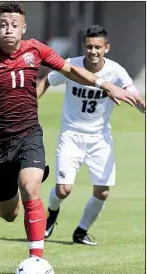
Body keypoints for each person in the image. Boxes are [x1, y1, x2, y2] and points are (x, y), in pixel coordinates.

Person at [0, 1, 136, 260]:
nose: (9, 29)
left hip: (29, 134)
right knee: (10, 214)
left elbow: (71, 70)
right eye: (3, 24)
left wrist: (104, 84)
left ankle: (36, 261)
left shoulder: (35, 49)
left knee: (31, 188)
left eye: (14, 25)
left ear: (24, 28)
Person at [37, 25, 145, 246]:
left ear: (106, 48)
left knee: (103, 192)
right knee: (63, 189)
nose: (93, 51)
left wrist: (141, 104)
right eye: (89, 46)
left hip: (100, 138)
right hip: (71, 135)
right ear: (83, 47)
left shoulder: (115, 71)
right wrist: (30, 103)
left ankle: (81, 232)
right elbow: (48, 80)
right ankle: (51, 214)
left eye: (98, 47)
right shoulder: (72, 66)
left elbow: (132, 93)